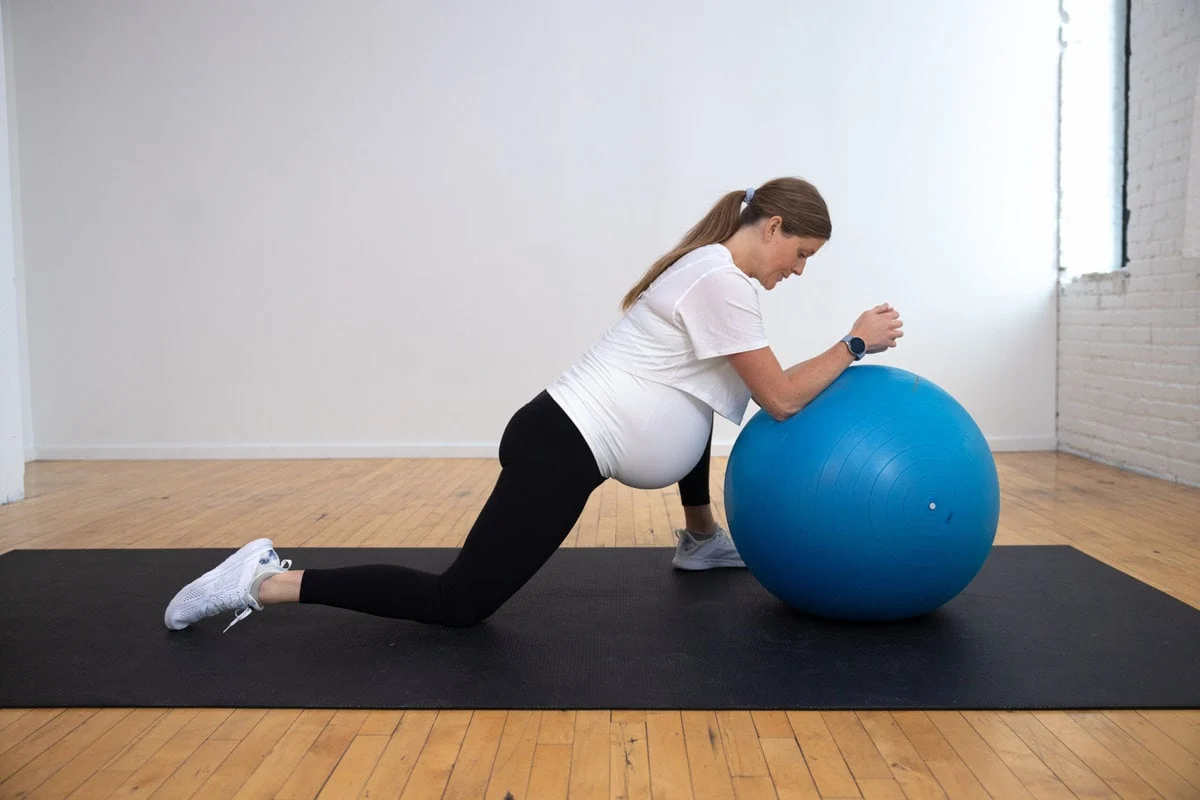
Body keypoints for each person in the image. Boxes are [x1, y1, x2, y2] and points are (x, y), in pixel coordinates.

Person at [163, 177, 904, 633]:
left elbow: (713, 390)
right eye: (801, 252)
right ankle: (261, 583)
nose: (800, 270)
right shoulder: (720, 283)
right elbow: (776, 398)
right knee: (460, 603)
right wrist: (855, 343)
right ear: (771, 227)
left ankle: (699, 539)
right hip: (562, 446)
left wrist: (700, 517)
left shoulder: (715, 274)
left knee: (702, 391)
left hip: (562, 435)